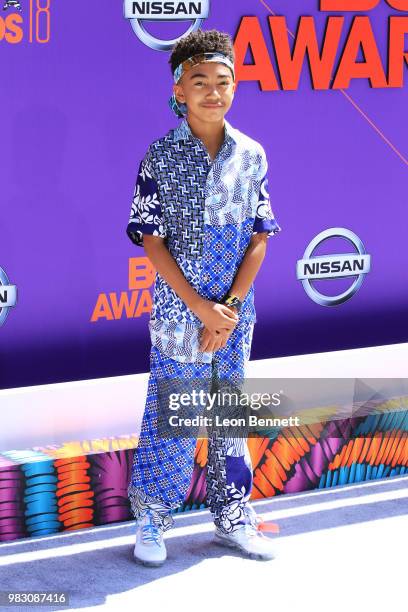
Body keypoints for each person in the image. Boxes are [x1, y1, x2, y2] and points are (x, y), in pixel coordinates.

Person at [125, 28, 282, 566]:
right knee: (174, 412)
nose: (213, 92)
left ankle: (233, 516)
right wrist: (199, 307)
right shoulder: (161, 155)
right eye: (200, 82)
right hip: (179, 312)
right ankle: (153, 518)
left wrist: (229, 308)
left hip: (235, 315)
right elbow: (151, 239)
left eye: (223, 81)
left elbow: (261, 235)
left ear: (235, 87)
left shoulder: (253, 155)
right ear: (178, 90)